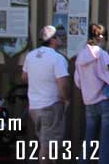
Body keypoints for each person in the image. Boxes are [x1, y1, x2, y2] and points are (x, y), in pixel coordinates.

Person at [74, 24, 109, 164]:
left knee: (89, 141)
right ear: (101, 37)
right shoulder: (101, 54)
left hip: (89, 103)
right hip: (106, 103)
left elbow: (77, 81)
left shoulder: (80, 55)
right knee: (105, 143)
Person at [22, 25, 70, 161]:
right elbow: (63, 83)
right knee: (49, 147)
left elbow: (24, 77)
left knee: (46, 143)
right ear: (53, 40)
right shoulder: (58, 58)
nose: (62, 39)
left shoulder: (30, 56)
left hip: (34, 107)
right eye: (60, 36)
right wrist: (66, 99)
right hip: (51, 106)